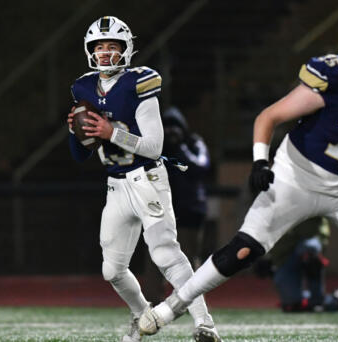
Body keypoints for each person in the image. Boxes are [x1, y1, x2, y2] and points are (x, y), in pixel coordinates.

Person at [138, 10, 338, 341]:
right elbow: (270, 116)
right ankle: (173, 305)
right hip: (298, 177)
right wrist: (260, 162)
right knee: (244, 250)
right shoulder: (334, 77)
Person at [66, 16, 221, 342]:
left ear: (126, 49)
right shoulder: (83, 87)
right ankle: (141, 316)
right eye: (99, 47)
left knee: (166, 254)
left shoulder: (139, 82)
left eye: (112, 46)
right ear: (89, 50)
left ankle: (204, 325)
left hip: (146, 177)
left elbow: (153, 147)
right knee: (112, 270)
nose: (105, 53)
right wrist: (74, 133)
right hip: (116, 184)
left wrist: (111, 133)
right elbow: (80, 156)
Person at [162, 106, 211, 269]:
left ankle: (192, 294)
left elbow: (201, 166)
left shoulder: (193, 142)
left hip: (190, 209)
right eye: (167, 127)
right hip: (163, 209)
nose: (170, 132)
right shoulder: (159, 148)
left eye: (174, 127)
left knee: (189, 256)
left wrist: (181, 149)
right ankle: (153, 294)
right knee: (158, 256)